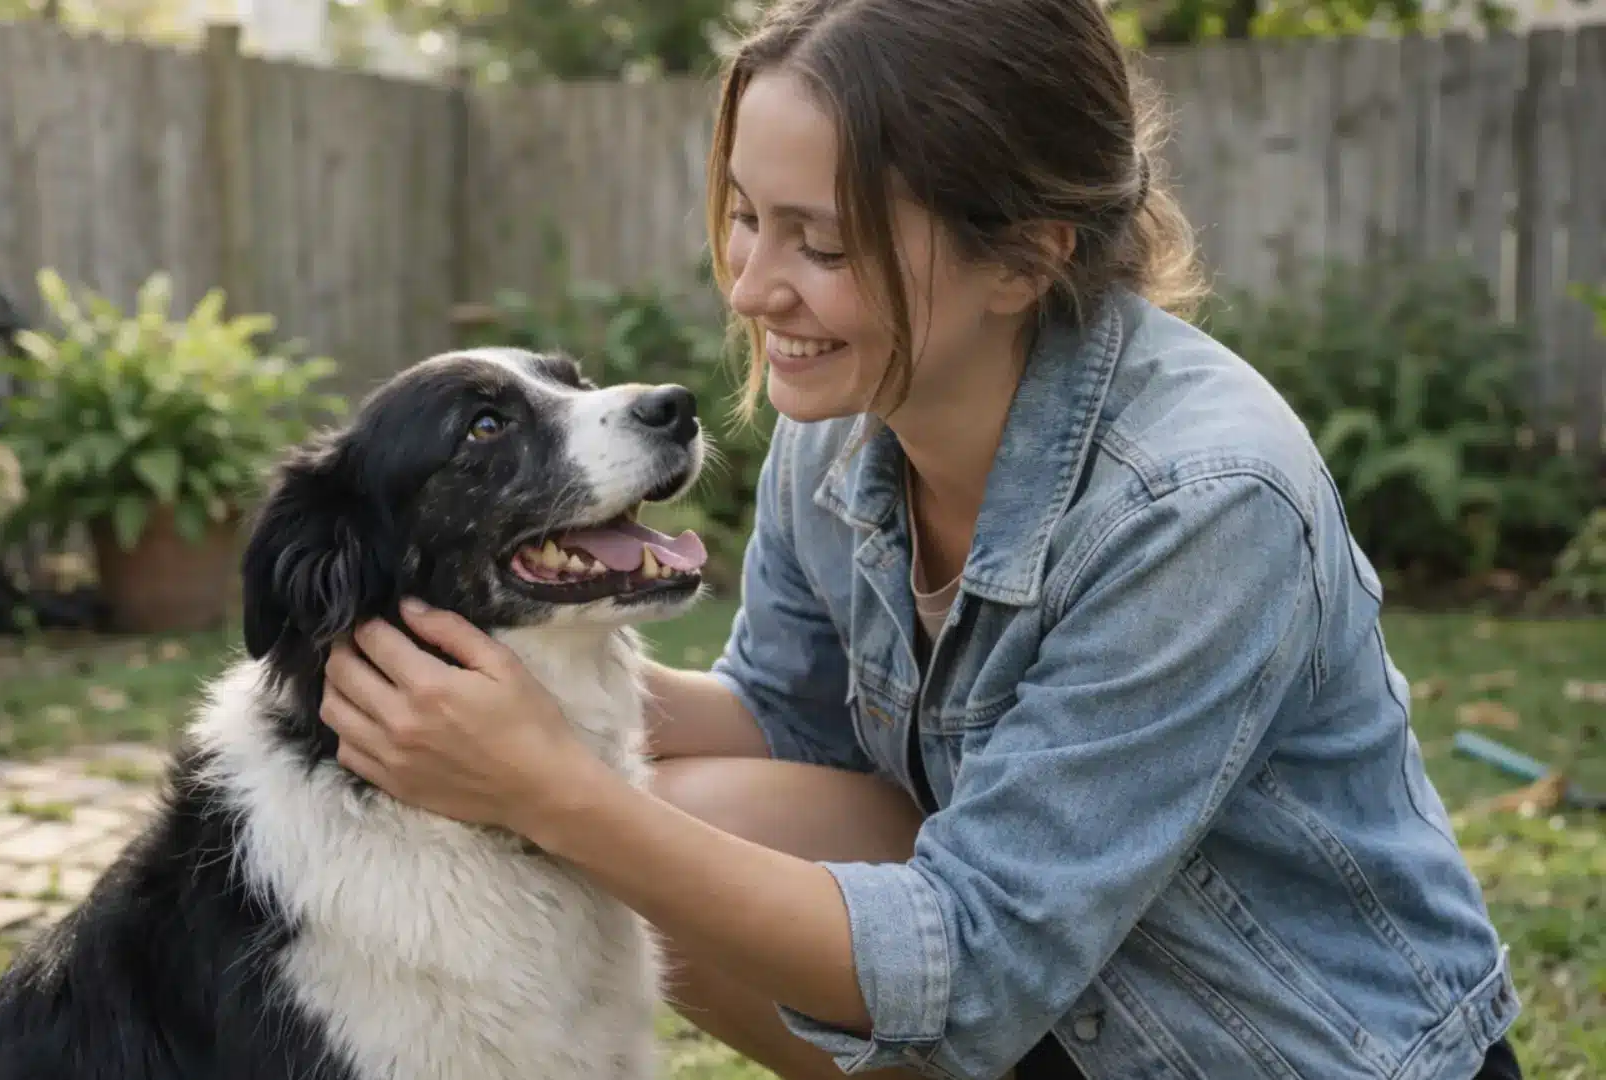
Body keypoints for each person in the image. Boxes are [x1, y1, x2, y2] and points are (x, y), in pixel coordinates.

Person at [313, 0, 1527, 1076]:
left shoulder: (1201, 501)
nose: (751, 288)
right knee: (684, 802)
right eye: (744, 216)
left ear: (1025, 257)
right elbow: (789, 718)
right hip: (1067, 1009)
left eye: (823, 244)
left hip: (1267, 1045)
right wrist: (492, 683)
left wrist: (549, 785)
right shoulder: (848, 416)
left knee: (633, 827)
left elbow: (979, 964)